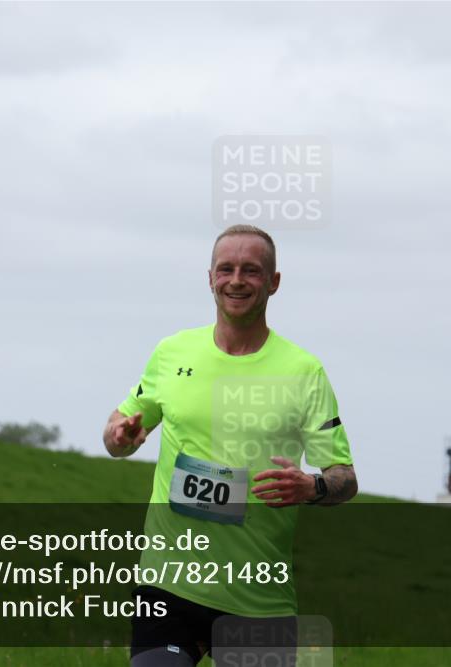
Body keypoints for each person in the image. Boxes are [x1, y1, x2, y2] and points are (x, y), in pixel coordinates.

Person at [103, 225, 358, 667]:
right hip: (168, 582)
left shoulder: (303, 372)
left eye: (251, 270)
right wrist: (118, 436)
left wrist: (311, 487)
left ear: (274, 282)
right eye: (226, 269)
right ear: (210, 278)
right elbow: (118, 430)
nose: (236, 280)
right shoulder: (172, 352)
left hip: (257, 595)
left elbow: (344, 477)